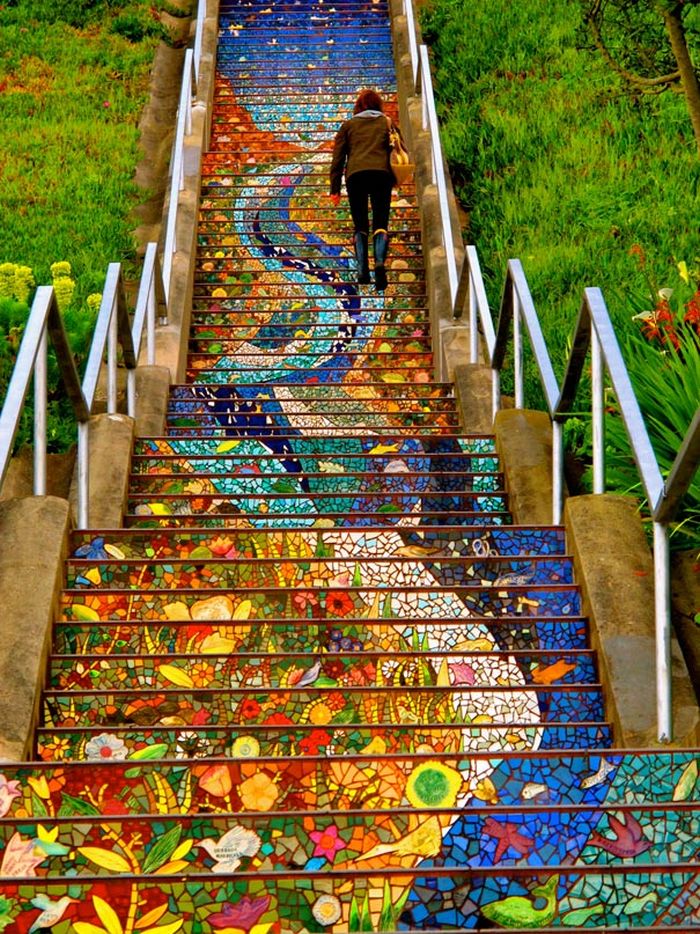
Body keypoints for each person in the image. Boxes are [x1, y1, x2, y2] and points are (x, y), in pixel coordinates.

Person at [329, 88, 405, 292]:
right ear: (378, 105)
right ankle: (379, 262)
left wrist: (334, 188)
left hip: (356, 177)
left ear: (359, 106)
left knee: (360, 224)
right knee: (380, 223)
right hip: (382, 175)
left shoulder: (348, 126)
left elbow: (338, 159)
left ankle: (362, 269)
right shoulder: (387, 123)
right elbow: (400, 149)